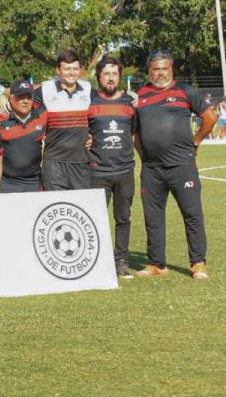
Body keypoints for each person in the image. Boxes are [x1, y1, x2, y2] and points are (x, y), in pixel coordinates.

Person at [133, 51, 217, 280]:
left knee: (192, 215)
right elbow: (136, 134)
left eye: (164, 68)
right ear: (149, 70)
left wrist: (197, 141)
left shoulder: (185, 91)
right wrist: (145, 157)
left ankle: (198, 263)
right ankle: (156, 264)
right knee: (152, 217)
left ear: (172, 69)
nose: (160, 72)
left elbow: (210, 117)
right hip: (152, 169)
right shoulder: (140, 95)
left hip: (182, 166)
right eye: (155, 68)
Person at [88, 57, 137, 279]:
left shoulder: (129, 104)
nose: (110, 78)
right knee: (95, 218)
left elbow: (135, 134)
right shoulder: (88, 102)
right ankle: (96, 260)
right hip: (97, 171)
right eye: (106, 74)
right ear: (99, 76)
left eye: (114, 74)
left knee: (123, 218)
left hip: (124, 170)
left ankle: (121, 260)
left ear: (119, 76)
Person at [33, 50, 92, 190]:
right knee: (56, 208)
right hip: (54, 165)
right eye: (67, 69)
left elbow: (102, 110)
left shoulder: (88, 89)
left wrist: (93, 134)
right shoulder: (45, 89)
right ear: (58, 70)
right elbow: (19, 98)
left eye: (75, 69)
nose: (72, 73)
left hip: (81, 163)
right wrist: (3, 96)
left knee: (80, 209)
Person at [0, 80, 47, 193]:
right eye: (20, 97)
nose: (25, 101)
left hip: (33, 182)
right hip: (5, 182)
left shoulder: (43, 114)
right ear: (11, 98)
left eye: (29, 97)